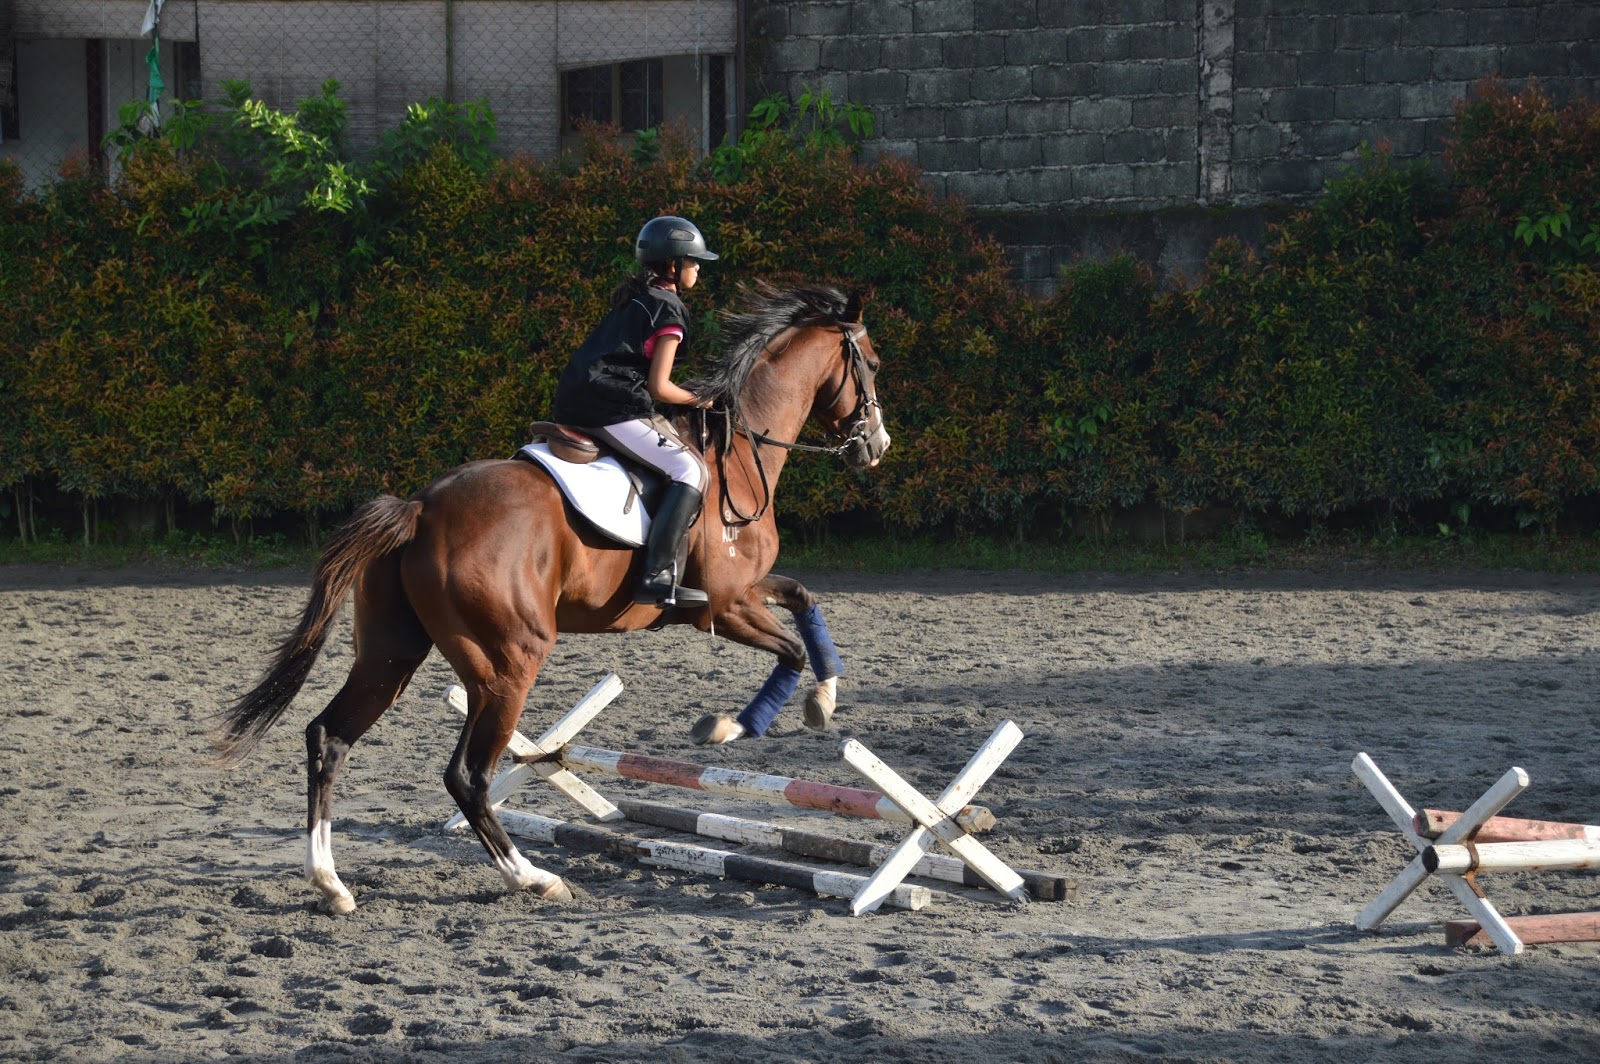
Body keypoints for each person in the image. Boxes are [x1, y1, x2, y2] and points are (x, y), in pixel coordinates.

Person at [552, 215, 719, 608]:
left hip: (577, 400)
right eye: (694, 261)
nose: (698, 269)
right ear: (675, 264)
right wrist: (700, 399)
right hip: (611, 409)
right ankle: (655, 576)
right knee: (690, 469)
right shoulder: (669, 309)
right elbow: (660, 388)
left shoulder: (639, 298)